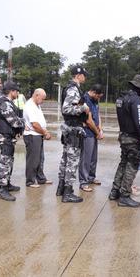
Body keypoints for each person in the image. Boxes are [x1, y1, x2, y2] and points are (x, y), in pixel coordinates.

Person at [109, 75, 140, 208]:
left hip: (123, 135)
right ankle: (125, 196)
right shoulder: (136, 100)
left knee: (123, 163)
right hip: (132, 138)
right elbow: (139, 123)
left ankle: (114, 191)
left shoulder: (121, 99)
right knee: (132, 165)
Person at [56, 65, 90, 203]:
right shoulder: (73, 89)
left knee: (65, 159)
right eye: (84, 75)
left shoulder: (72, 88)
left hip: (70, 129)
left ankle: (61, 188)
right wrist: (83, 108)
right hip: (73, 129)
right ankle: (68, 192)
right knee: (72, 161)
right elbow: (67, 108)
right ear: (78, 75)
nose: (85, 77)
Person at [0, 81, 25, 201]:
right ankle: (3, 190)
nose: (17, 93)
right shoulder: (4, 104)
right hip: (5, 137)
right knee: (5, 163)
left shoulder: (8, 103)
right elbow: (15, 122)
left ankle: (7, 184)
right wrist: (24, 122)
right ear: (11, 91)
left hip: (9, 137)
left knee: (9, 162)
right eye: (16, 91)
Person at [23, 88, 52, 188]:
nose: (43, 101)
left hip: (37, 135)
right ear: (36, 95)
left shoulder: (37, 105)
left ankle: (40, 178)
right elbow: (34, 124)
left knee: (40, 158)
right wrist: (45, 133)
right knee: (33, 159)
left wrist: (44, 131)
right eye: (42, 99)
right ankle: (30, 181)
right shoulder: (30, 105)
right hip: (32, 135)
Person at [78, 84, 104, 192]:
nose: (98, 99)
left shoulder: (95, 100)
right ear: (93, 92)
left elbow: (97, 114)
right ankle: (83, 182)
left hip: (94, 132)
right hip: (87, 133)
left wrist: (100, 129)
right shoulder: (84, 100)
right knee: (86, 159)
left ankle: (91, 177)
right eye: (98, 96)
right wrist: (97, 132)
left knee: (93, 157)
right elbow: (88, 121)